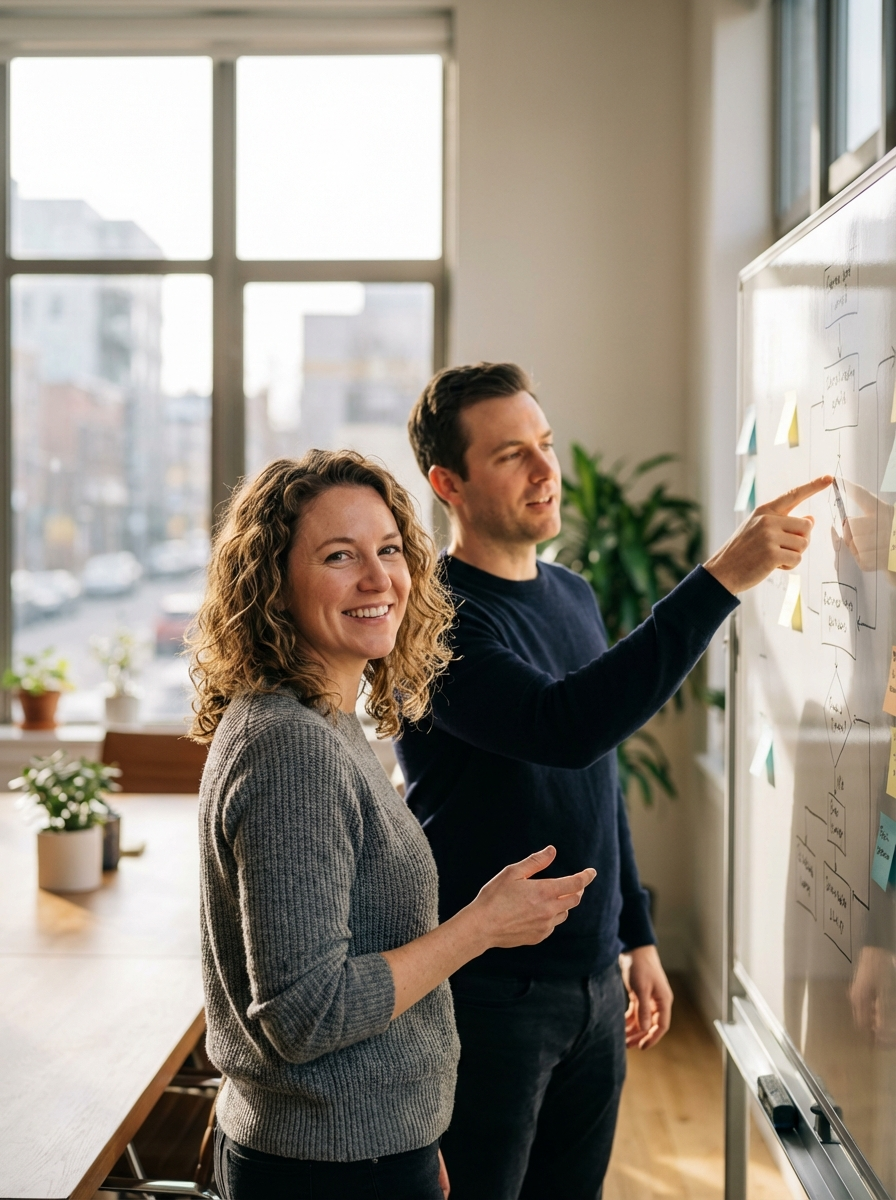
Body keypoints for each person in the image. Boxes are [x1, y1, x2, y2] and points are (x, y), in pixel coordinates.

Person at [398, 362, 832, 1200]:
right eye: (511, 454)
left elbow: (601, 773)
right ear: (446, 482)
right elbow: (566, 727)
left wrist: (634, 935)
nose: (544, 470)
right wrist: (720, 581)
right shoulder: (434, 621)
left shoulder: (571, 594)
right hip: (489, 993)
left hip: (593, 982)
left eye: (547, 445)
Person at [190, 449, 598, 1200]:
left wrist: (413, 1132)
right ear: (272, 584)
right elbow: (306, 1015)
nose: (379, 579)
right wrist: (482, 926)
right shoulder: (290, 748)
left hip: (363, 1148)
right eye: (339, 556)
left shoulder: (324, 720)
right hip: (330, 1169)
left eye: (388, 550)